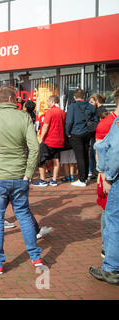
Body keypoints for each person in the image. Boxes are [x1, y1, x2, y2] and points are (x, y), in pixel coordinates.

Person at [0, 86, 43, 275]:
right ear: (13, 99)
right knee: (23, 213)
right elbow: (34, 148)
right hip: (19, 175)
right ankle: (35, 257)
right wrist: (29, 173)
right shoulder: (24, 117)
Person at [89, 89, 119, 286]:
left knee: (113, 221)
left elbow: (114, 153)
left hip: (116, 178)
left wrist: (106, 176)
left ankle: (111, 266)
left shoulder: (112, 123)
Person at [94, 91, 118, 260]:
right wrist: (103, 176)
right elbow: (100, 152)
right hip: (111, 176)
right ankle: (106, 249)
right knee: (109, 213)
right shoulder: (106, 124)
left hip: (112, 175)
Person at [66, 88, 98, 187]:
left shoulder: (72, 106)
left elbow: (69, 121)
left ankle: (82, 179)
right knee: (85, 155)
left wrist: (68, 132)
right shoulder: (90, 106)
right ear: (84, 97)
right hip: (87, 133)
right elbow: (95, 119)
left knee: (80, 157)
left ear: (74, 97)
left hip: (76, 133)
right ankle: (85, 176)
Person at [32, 95, 66, 187]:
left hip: (49, 140)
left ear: (52, 102)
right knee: (56, 160)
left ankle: (42, 180)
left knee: (41, 160)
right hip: (59, 140)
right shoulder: (62, 112)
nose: (47, 103)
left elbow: (45, 126)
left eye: (48, 101)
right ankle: (54, 180)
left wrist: (41, 138)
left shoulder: (50, 112)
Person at [88, 94, 107, 180]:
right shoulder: (97, 110)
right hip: (95, 134)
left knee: (95, 153)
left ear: (96, 101)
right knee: (92, 153)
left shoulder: (100, 111)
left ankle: (96, 171)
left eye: (92, 101)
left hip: (98, 135)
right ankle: (94, 171)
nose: (90, 103)